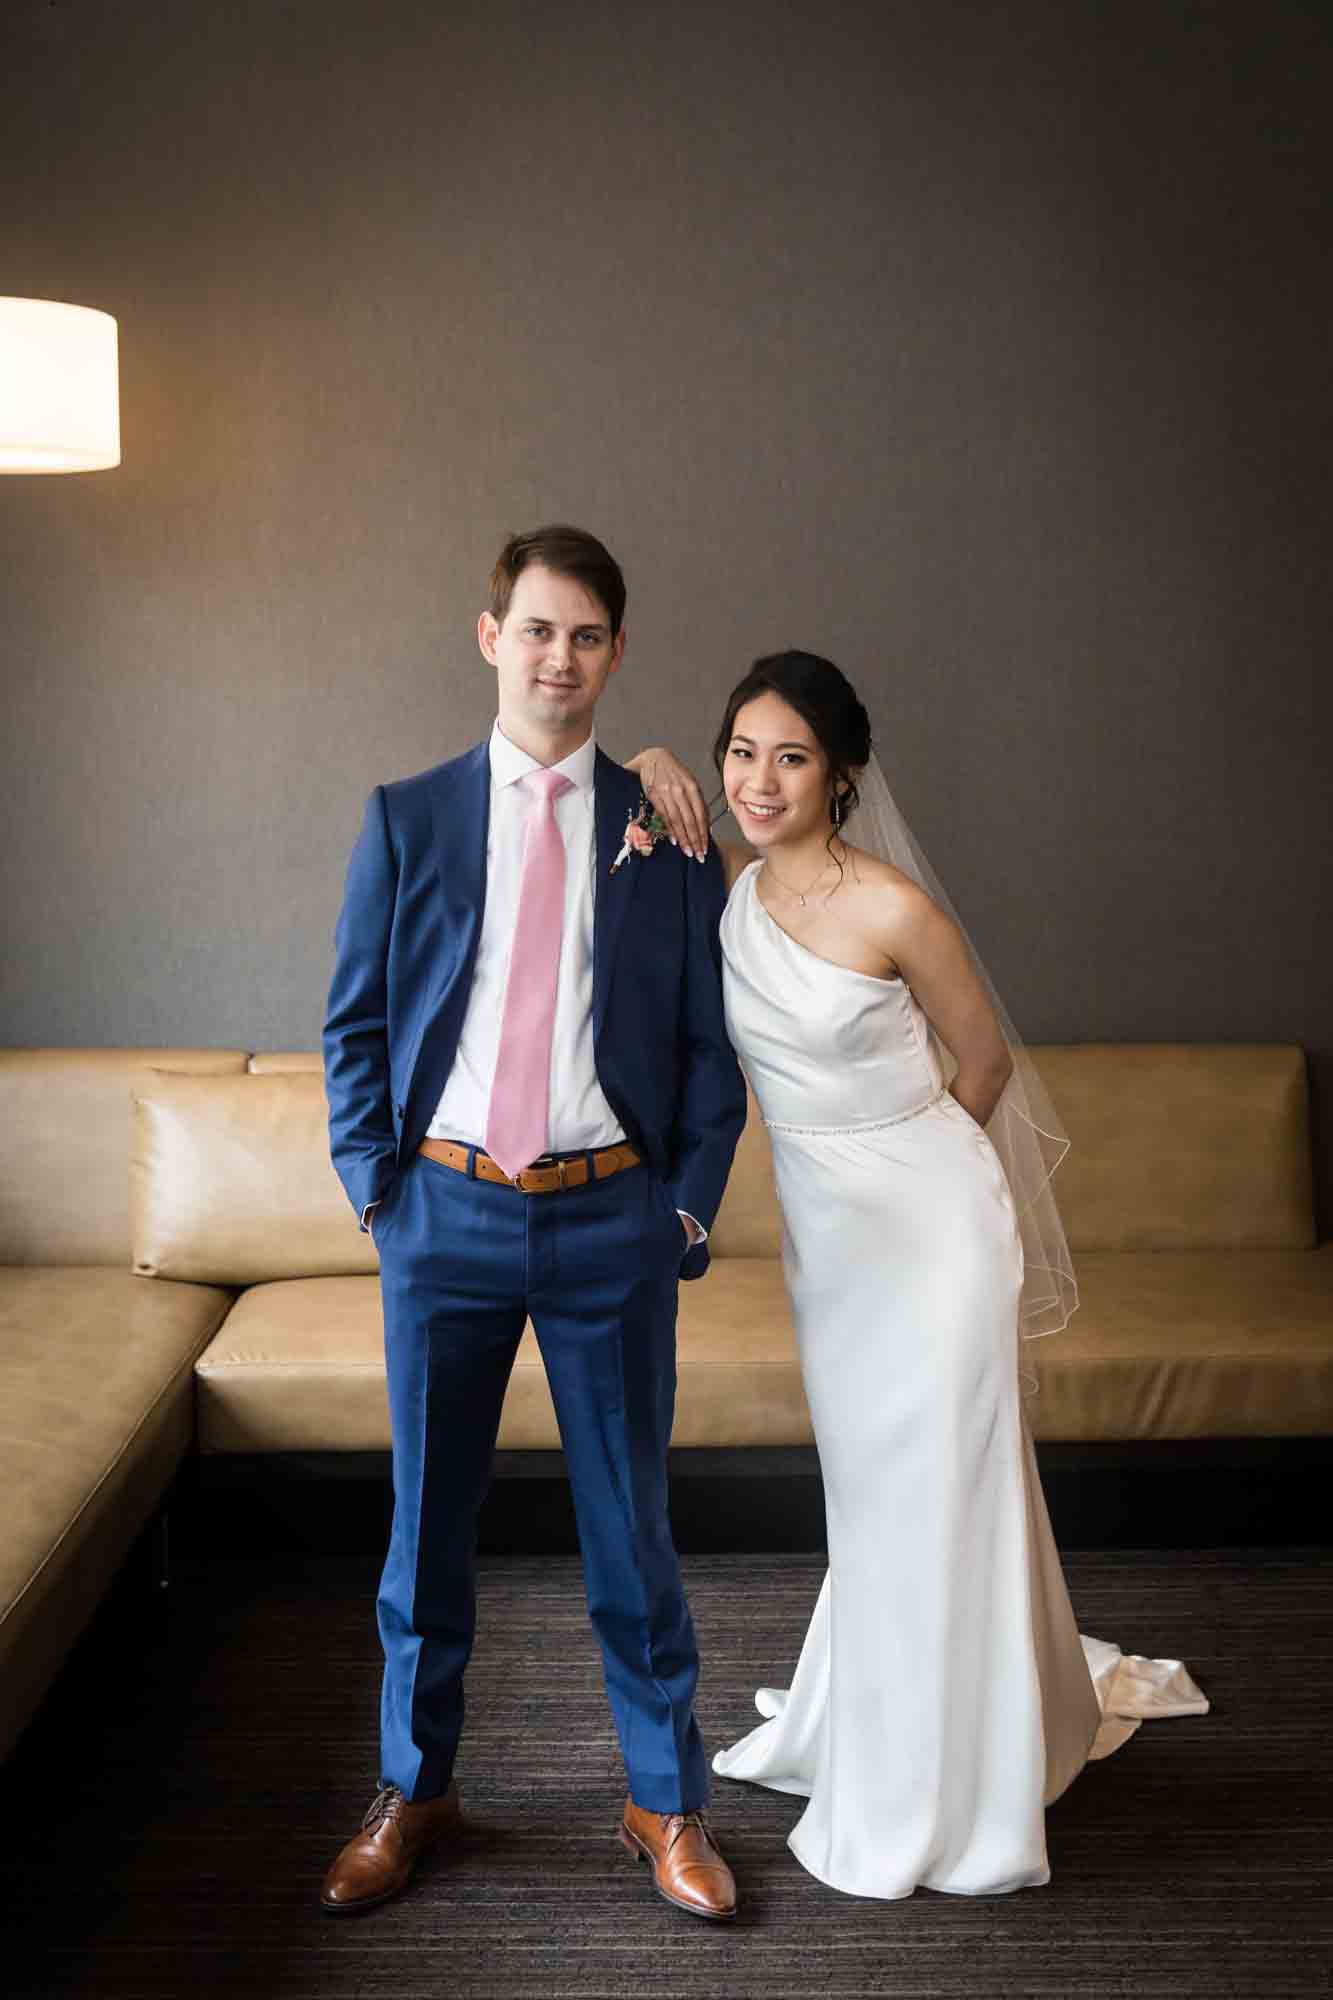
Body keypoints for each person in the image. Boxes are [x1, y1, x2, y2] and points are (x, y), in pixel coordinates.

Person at [628, 650, 1206, 1899]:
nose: (759, 778)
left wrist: (906, 1165)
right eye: (739, 751)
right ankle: (913, 1721)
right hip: (828, 1247)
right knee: (877, 1501)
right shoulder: (721, 887)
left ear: (839, 773)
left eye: (790, 755)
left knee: (947, 1486)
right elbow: (624, 814)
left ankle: (964, 1784)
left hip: (935, 1230)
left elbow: (985, 1065)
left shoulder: (892, 905)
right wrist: (653, 760)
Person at [320, 525, 747, 1922]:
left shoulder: (669, 828)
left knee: (633, 1531)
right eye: (537, 629)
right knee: (425, 1528)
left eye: (587, 635)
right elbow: (357, 1025)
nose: (559, 657)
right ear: (490, 634)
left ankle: (663, 1802)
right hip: (440, 1213)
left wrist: (682, 1209)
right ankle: (412, 1788)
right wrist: (377, 1190)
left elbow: (706, 1049)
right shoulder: (407, 817)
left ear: (616, 654)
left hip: (607, 1223)